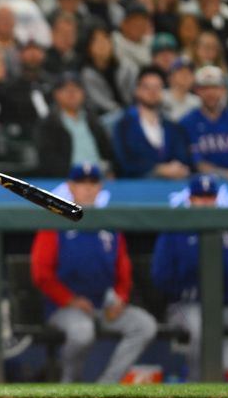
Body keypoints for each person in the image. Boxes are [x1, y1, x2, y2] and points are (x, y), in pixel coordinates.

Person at [31, 162, 157, 383]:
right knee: (82, 331)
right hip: (64, 308)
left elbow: (123, 269)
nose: (87, 188)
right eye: (81, 183)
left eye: (93, 183)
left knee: (145, 325)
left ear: (100, 187)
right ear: (70, 187)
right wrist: (70, 300)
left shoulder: (108, 223)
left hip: (103, 305)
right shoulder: (56, 220)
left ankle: (107, 385)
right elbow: (41, 273)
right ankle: (69, 384)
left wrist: (120, 299)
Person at [151, 174, 228, 382]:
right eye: (200, 197)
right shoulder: (174, 229)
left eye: (210, 197)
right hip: (187, 306)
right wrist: (187, 289)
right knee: (202, 331)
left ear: (217, 199)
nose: (205, 202)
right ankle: (197, 389)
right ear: (190, 200)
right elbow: (160, 275)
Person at [112, 67, 190, 179]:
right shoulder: (123, 126)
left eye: (157, 87)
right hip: (135, 189)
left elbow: (184, 159)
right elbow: (123, 163)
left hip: (172, 187)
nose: (152, 92)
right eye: (147, 87)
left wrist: (177, 169)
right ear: (137, 90)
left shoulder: (173, 128)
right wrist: (158, 169)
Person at [180, 65, 228, 180]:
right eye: (205, 88)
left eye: (215, 87)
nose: (210, 93)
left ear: (224, 90)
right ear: (197, 91)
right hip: (203, 183)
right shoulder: (188, 122)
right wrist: (226, 175)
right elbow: (197, 163)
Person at [35, 72, 116, 178]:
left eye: (76, 88)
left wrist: (111, 171)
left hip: (98, 178)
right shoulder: (48, 124)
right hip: (66, 180)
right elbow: (47, 160)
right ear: (56, 94)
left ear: (83, 93)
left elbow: (108, 152)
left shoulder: (92, 120)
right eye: (65, 89)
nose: (71, 93)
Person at [162, 56, 199, 123]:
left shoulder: (197, 103)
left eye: (189, 72)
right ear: (171, 76)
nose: (186, 75)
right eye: (181, 72)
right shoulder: (160, 97)